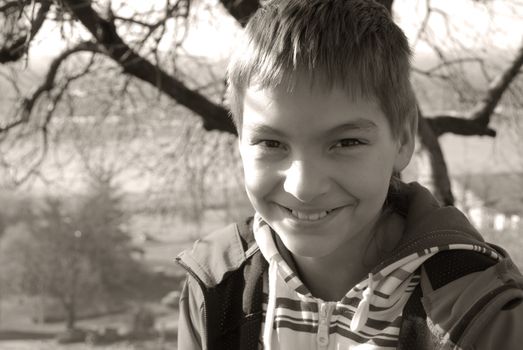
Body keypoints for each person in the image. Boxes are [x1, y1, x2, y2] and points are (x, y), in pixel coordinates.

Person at [176, 0, 523, 349]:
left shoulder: (482, 310)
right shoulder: (216, 290)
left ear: (402, 140)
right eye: (270, 142)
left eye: (345, 142)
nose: (304, 187)